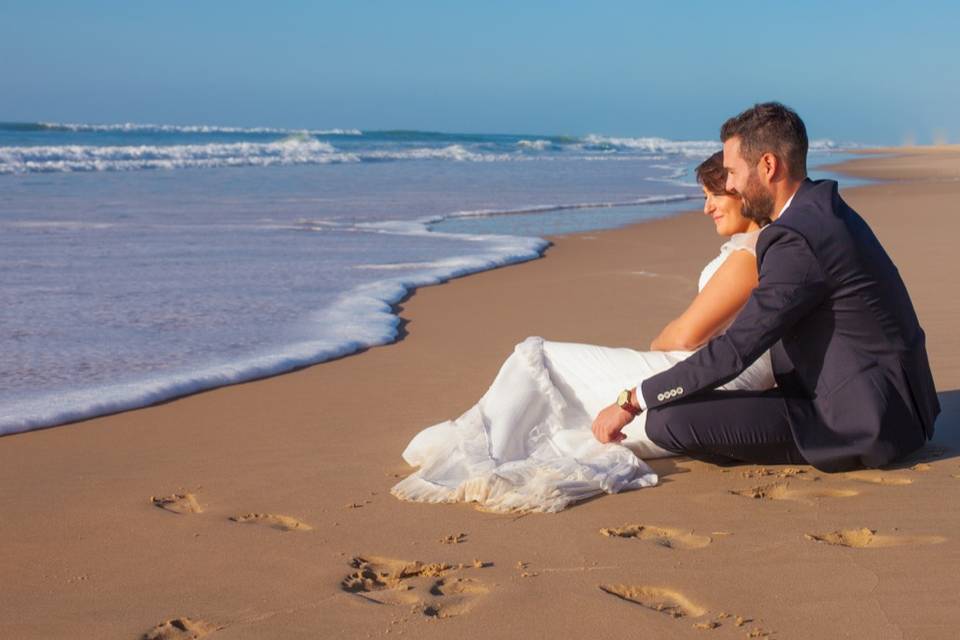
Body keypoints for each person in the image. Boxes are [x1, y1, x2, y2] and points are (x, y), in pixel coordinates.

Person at [392, 151, 774, 513]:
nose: (706, 207)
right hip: (713, 367)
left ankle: (486, 452)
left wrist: (656, 350)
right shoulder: (752, 248)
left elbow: (687, 336)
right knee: (557, 374)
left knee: (537, 354)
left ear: (741, 191)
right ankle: (491, 445)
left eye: (714, 196)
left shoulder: (750, 254)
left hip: (709, 369)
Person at [593, 102, 940, 473]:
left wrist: (631, 400)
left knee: (665, 421)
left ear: (768, 166)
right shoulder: (823, 209)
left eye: (732, 172)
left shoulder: (795, 238)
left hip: (861, 422)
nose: (729, 185)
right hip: (896, 404)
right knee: (685, 409)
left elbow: (735, 351)